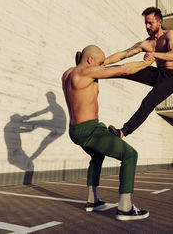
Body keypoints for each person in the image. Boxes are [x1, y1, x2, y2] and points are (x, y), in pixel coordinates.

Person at [62, 45, 153, 220]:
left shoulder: (67, 74)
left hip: (75, 130)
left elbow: (114, 59)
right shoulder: (86, 74)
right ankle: (125, 208)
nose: (101, 67)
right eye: (100, 63)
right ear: (90, 61)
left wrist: (137, 48)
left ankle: (92, 200)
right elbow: (124, 70)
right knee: (130, 155)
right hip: (90, 129)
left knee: (97, 156)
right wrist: (148, 62)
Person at [104, 7, 173, 138]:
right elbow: (124, 54)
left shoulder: (170, 35)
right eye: (146, 23)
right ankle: (97, 70)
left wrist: (154, 54)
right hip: (159, 73)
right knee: (126, 70)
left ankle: (122, 132)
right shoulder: (147, 43)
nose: (147, 26)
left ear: (159, 22)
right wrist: (103, 62)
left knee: (148, 101)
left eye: (150, 23)